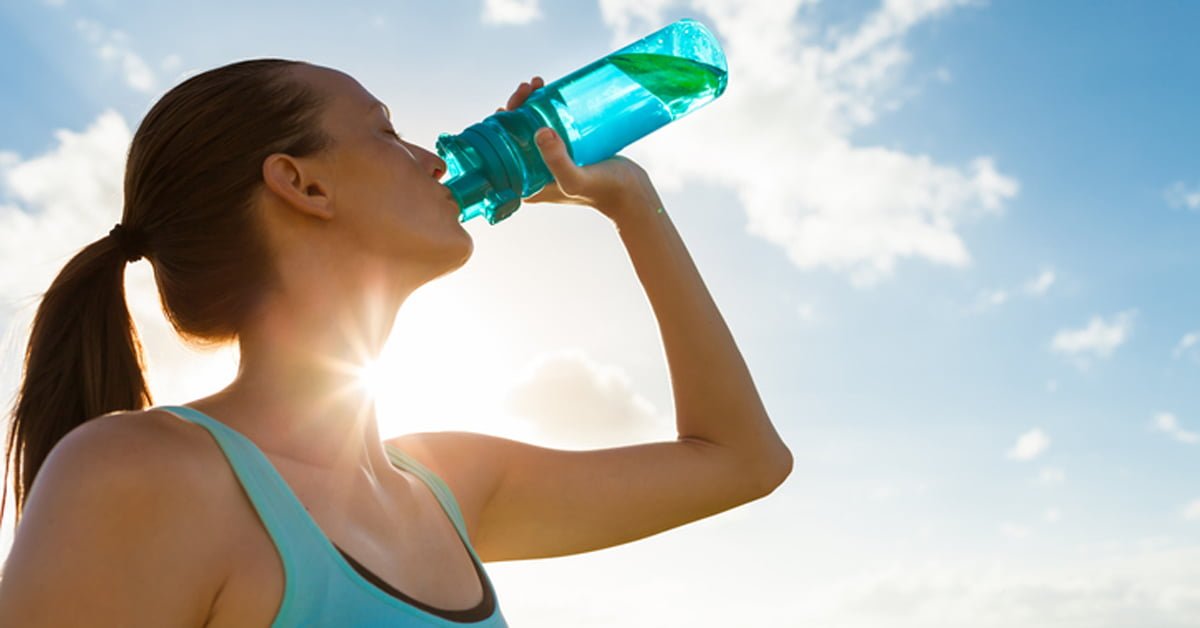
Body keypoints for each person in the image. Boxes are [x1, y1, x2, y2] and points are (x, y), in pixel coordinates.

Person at [0, 59, 792, 626]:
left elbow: (742, 461)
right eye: (386, 131)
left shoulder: (444, 484)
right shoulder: (142, 474)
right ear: (301, 183)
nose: (431, 154)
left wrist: (630, 201)